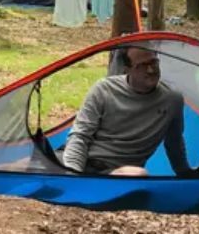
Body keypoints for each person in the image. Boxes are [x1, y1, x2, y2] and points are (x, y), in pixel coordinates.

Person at [61, 46, 191, 176]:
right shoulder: (104, 89)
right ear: (127, 69)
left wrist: (185, 174)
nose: (151, 70)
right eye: (142, 65)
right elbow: (80, 135)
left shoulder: (172, 100)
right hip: (79, 162)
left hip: (119, 173)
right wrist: (73, 174)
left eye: (153, 62)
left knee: (138, 174)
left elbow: (174, 143)